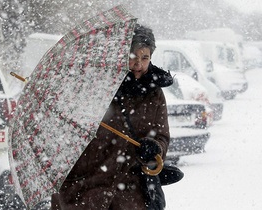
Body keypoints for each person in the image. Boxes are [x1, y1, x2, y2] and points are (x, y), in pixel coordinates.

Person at [51, 23, 173, 210]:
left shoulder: (154, 93)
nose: (138, 64)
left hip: (130, 194)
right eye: (133, 57)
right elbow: (69, 138)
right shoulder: (94, 86)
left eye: (145, 57)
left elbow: (162, 136)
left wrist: (154, 148)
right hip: (86, 189)